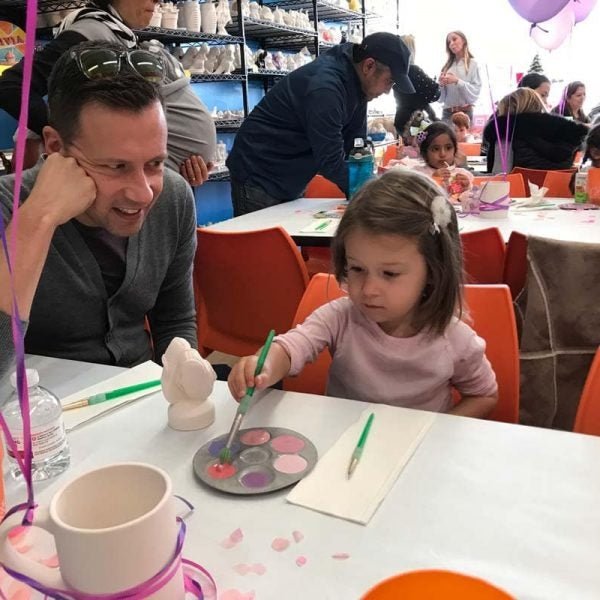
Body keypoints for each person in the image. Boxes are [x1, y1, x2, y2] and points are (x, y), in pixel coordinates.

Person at [228, 169, 497, 417]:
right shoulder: (340, 317)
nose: (368, 289)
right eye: (357, 269)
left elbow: (484, 395)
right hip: (345, 445)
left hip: (416, 451)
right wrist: (264, 364)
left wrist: (433, 433)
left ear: (434, 272)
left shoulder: (454, 340)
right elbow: (292, 347)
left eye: (389, 274)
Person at [0, 41, 198, 377]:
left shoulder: (174, 198)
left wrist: (185, 381)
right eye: (116, 166)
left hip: (140, 396)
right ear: (55, 148)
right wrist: (38, 219)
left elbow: (175, 322)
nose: (143, 194)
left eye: (155, 163)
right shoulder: (8, 207)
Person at [0, 0, 216, 185]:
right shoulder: (91, 33)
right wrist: (73, 140)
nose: (157, 1)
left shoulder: (119, 35)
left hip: (149, 180)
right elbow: (11, 86)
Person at [226, 32, 414, 215]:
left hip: (290, 172)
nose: (388, 91)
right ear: (369, 66)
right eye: (389, 81)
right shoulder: (326, 87)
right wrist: (373, 196)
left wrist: (368, 184)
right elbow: (331, 160)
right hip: (259, 172)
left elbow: (355, 147)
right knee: (267, 237)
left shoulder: (359, 84)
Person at [483, 88, 587, 174]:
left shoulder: (504, 132)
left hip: (519, 191)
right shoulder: (569, 134)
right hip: (560, 190)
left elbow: (500, 175)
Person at [393, 34, 440, 138]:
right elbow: (433, 93)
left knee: (410, 145)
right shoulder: (414, 71)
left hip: (400, 120)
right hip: (417, 121)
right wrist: (439, 84)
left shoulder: (395, 72)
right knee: (421, 145)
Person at [409, 121, 473, 194]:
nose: (442, 154)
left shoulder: (461, 174)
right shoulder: (419, 173)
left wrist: (464, 187)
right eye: (436, 149)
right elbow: (416, 196)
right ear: (425, 152)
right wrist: (433, 181)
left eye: (448, 148)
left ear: (455, 150)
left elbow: (453, 195)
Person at [439, 31, 481, 124]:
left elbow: (475, 92)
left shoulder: (473, 64)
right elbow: (441, 99)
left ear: (464, 41)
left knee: (464, 135)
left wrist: (457, 81)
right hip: (447, 114)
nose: (451, 44)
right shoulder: (446, 67)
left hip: (465, 114)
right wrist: (441, 85)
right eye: (449, 42)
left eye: (454, 39)